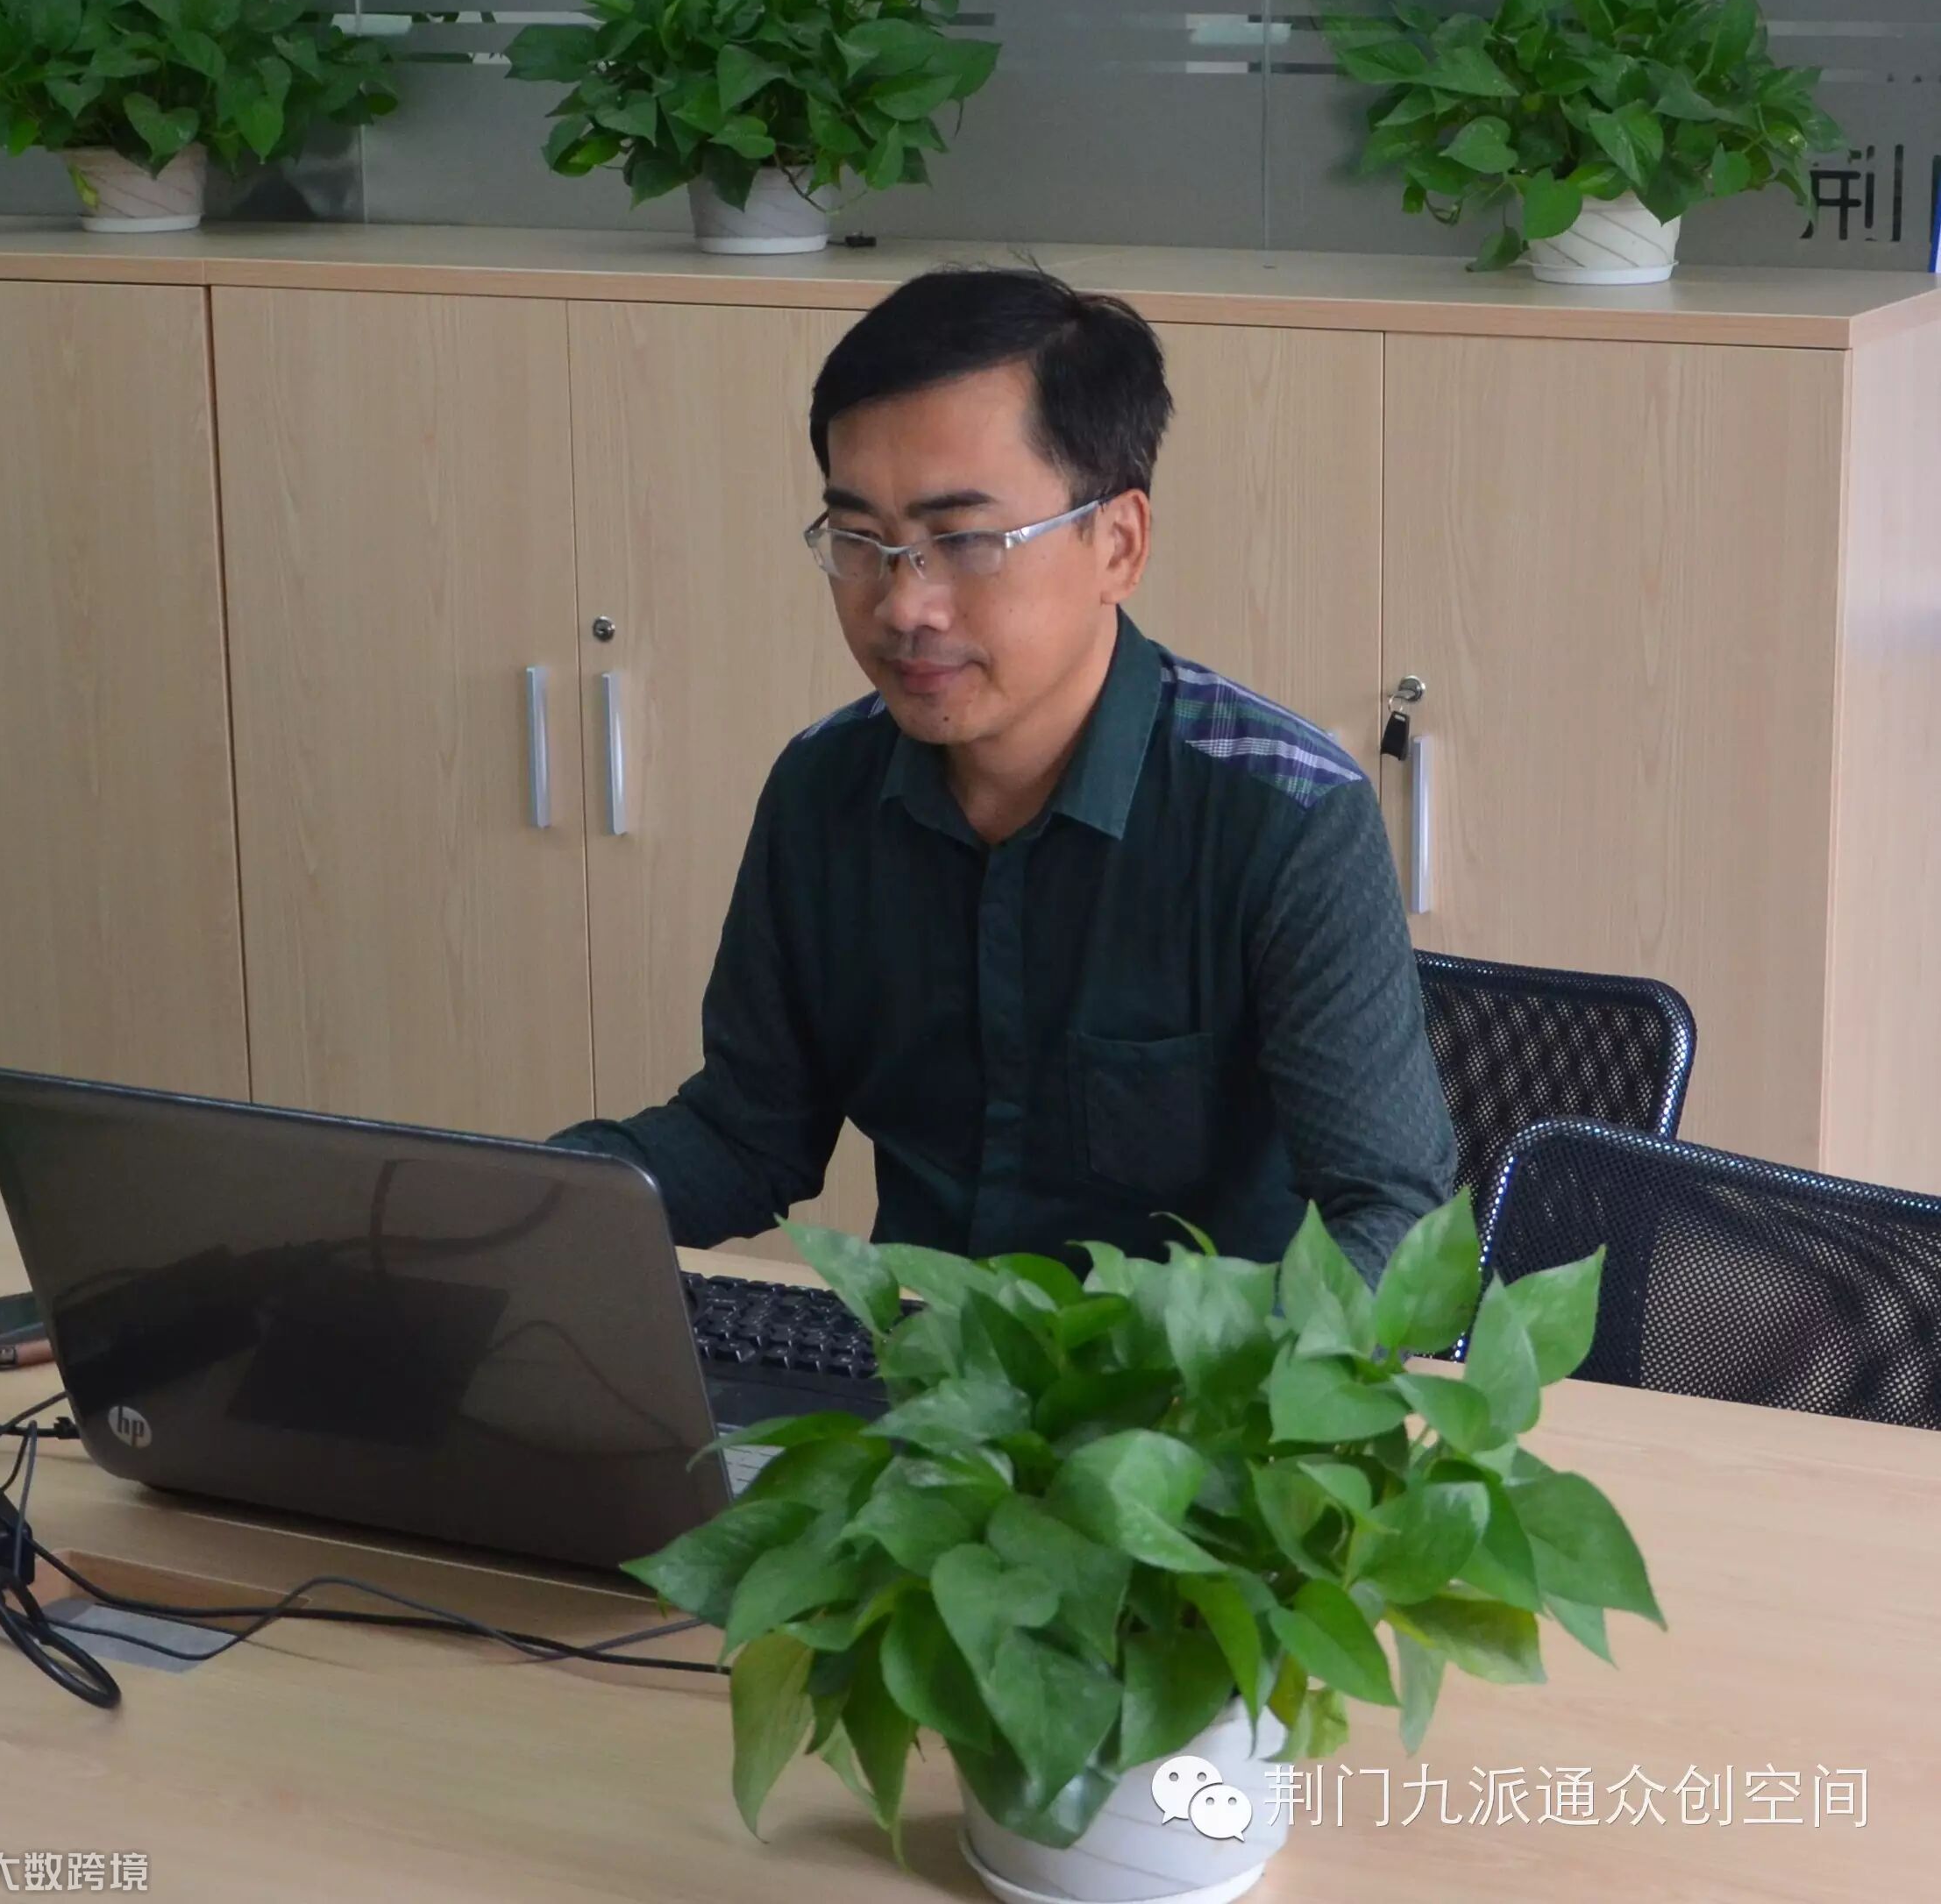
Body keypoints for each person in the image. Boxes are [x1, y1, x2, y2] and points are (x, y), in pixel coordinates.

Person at [552, 266, 1454, 1282]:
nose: (904, 606)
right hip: (916, 1368)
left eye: (965, 541)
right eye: (861, 540)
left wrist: (1226, 1370)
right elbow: (745, 1133)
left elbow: (1393, 1219)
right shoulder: (822, 790)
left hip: (1187, 1377)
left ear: (1118, 544)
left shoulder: (1284, 818)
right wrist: (518, 1203)